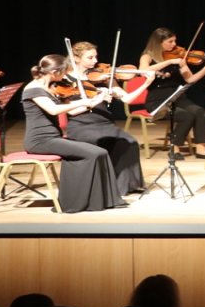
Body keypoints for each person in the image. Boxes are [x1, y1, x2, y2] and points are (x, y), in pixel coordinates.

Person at [22, 54, 127, 212]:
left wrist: (98, 98)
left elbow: (76, 111)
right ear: (55, 72)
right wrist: (82, 101)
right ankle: (74, 202)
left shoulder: (49, 87)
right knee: (92, 154)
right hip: (40, 141)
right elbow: (54, 109)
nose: (66, 75)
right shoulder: (33, 89)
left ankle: (101, 200)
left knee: (101, 152)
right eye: (64, 72)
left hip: (53, 138)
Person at [67, 41, 155, 196]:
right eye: (90, 57)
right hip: (82, 125)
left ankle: (125, 186)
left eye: (96, 57)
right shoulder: (66, 80)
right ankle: (103, 186)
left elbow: (127, 99)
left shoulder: (103, 77)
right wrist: (99, 97)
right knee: (102, 142)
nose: (95, 61)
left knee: (130, 142)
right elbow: (72, 111)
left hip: (104, 123)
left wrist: (146, 83)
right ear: (76, 58)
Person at [138, 28, 205, 159]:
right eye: (170, 41)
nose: (174, 44)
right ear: (159, 42)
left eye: (175, 41)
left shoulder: (178, 57)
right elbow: (142, 71)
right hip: (158, 101)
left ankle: (201, 148)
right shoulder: (148, 56)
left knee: (200, 112)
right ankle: (174, 147)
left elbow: (190, 79)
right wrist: (169, 62)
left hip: (178, 97)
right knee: (186, 116)